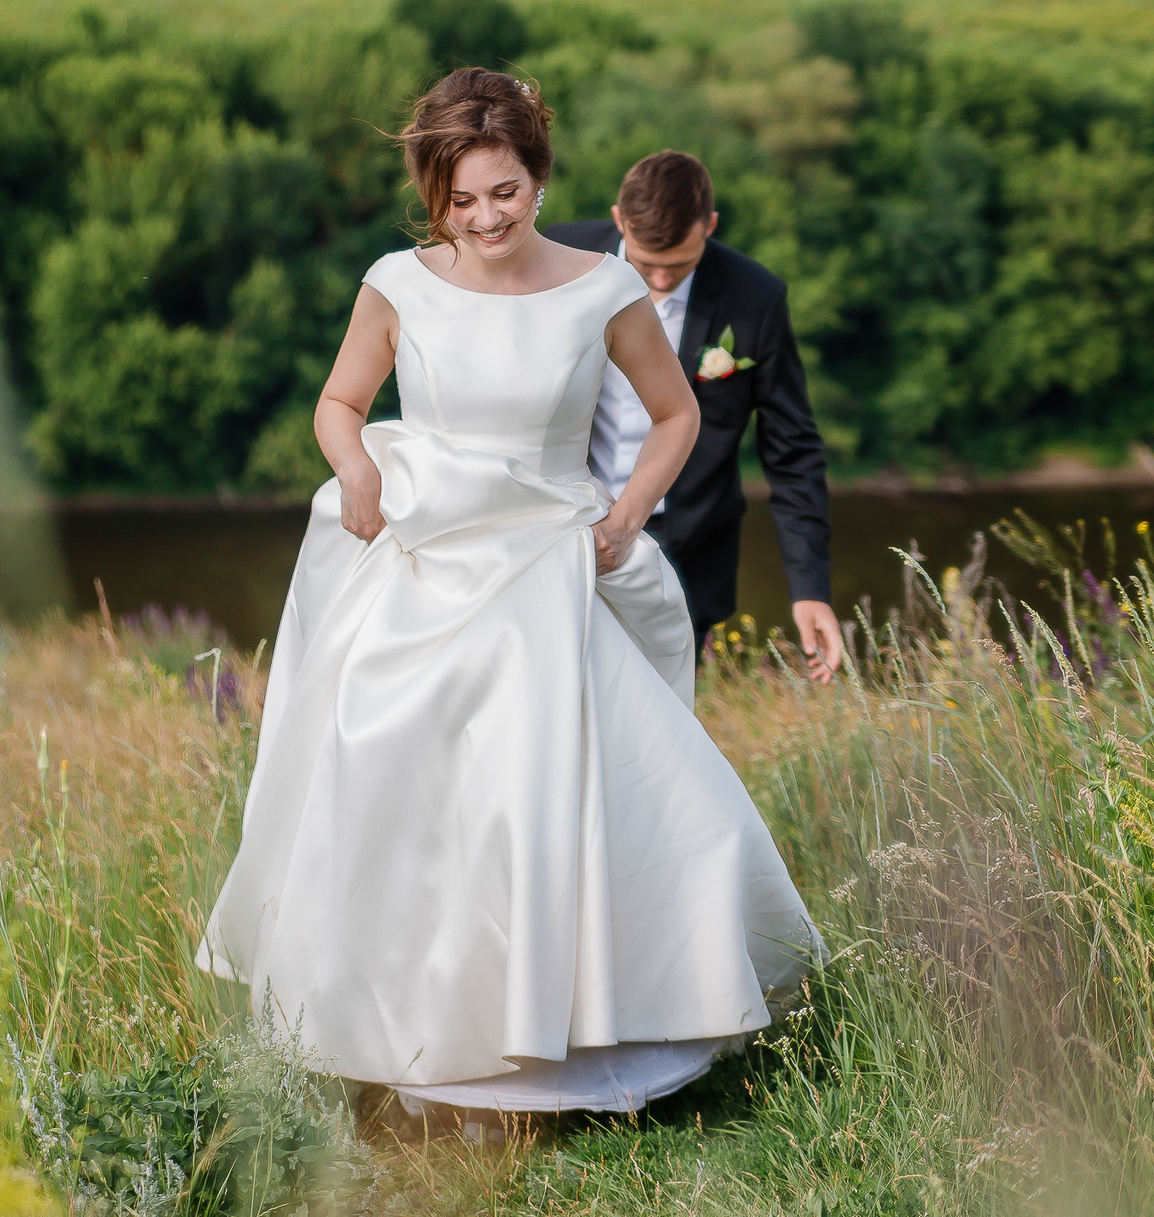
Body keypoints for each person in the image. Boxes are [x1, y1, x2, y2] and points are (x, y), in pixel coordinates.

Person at [198, 69, 822, 1117]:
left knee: (587, 797)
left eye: (506, 192)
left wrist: (626, 515)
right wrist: (354, 469)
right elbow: (341, 402)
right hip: (424, 558)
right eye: (462, 199)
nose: (485, 217)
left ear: (538, 178)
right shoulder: (397, 282)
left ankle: (578, 1025)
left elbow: (675, 418)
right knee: (395, 787)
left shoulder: (600, 288)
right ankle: (397, 1030)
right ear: (432, 194)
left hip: (545, 562)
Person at [547, 152, 844, 682]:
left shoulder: (755, 297)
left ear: (709, 225)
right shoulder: (556, 256)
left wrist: (810, 590)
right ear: (619, 220)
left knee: (662, 726)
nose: (660, 280)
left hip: (687, 550)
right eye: (644, 263)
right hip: (556, 528)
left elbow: (792, 450)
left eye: (679, 264)